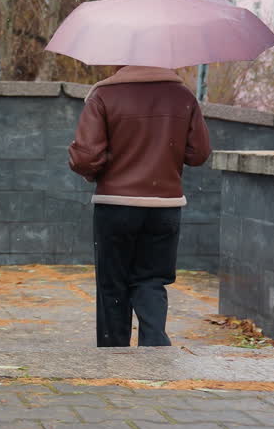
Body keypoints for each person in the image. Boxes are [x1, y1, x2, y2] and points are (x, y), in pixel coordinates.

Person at [67, 65, 211, 347]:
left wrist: (92, 170)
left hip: (116, 205)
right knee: (152, 280)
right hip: (165, 207)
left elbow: (86, 156)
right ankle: (155, 348)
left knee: (113, 284)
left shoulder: (104, 95)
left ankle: (113, 355)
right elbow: (199, 153)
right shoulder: (182, 96)